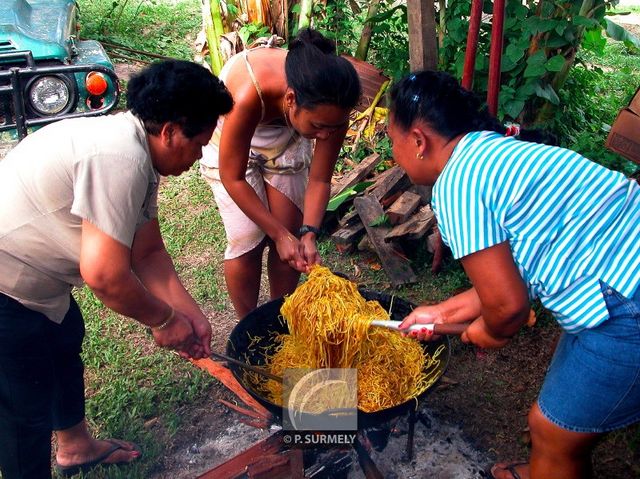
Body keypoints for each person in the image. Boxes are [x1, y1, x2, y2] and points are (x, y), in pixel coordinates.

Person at [389, 71, 640, 479]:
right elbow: (506, 279)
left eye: (392, 141)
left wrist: (487, 332)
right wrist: (437, 314)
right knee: (555, 426)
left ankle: (552, 459)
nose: (391, 153)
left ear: (418, 141)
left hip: (627, 297)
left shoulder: (456, 185)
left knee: (553, 431)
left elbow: (506, 308)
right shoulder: (490, 152)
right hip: (615, 278)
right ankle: (547, 465)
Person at [0, 60, 233, 479]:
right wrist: (162, 320)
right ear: (170, 131)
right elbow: (106, 275)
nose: (199, 156)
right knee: (24, 411)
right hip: (7, 285)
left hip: (37, 284)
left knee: (63, 342)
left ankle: (75, 447)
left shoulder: (135, 146)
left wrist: (188, 313)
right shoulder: (120, 158)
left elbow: (147, 254)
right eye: (198, 143)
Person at [200, 28, 361, 319]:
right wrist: (277, 234)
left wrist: (308, 234)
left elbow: (321, 179)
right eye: (318, 127)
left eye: (333, 128)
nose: (326, 135)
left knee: (291, 231)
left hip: (286, 133)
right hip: (233, 134)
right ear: (290, 99)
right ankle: (248, 324)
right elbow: (232, 176)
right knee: (247, 237)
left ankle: (280, 318)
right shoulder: (249, 93)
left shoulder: (332, 110)